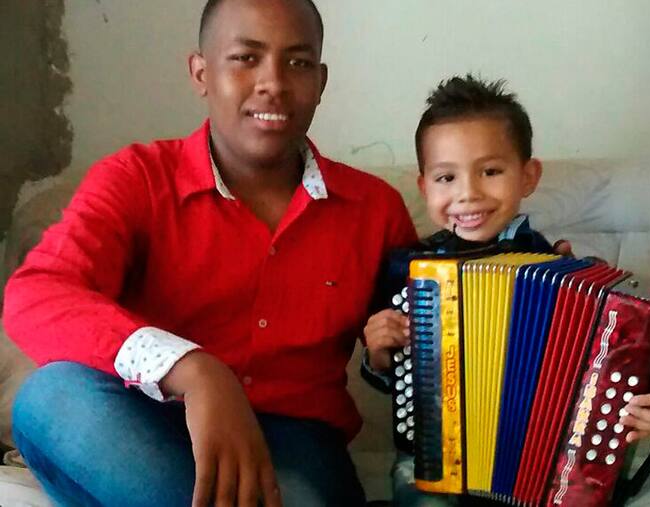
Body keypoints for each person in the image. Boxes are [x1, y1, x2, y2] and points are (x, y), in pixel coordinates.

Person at [3, 0, 418, 505]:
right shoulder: (137, 178)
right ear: (201, 73)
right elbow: (38, 293)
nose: (273, 82)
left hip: (298, 442)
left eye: (298, 62)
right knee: (51, 396)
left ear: (321, 81)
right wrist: (194, 371)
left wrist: (387, 353)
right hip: (150, 419)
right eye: (246, 58)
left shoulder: (374, 208)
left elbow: (410, 353)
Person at [361, 75, 650, 506]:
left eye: (491, 171)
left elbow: (621, 368)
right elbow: (393, 376)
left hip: (541, 469)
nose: (468, 194)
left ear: (528, 176)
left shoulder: (564, 273)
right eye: (446, 177)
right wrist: (379, 354)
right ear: (424, 187)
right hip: (436, 461)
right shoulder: (408, 272)